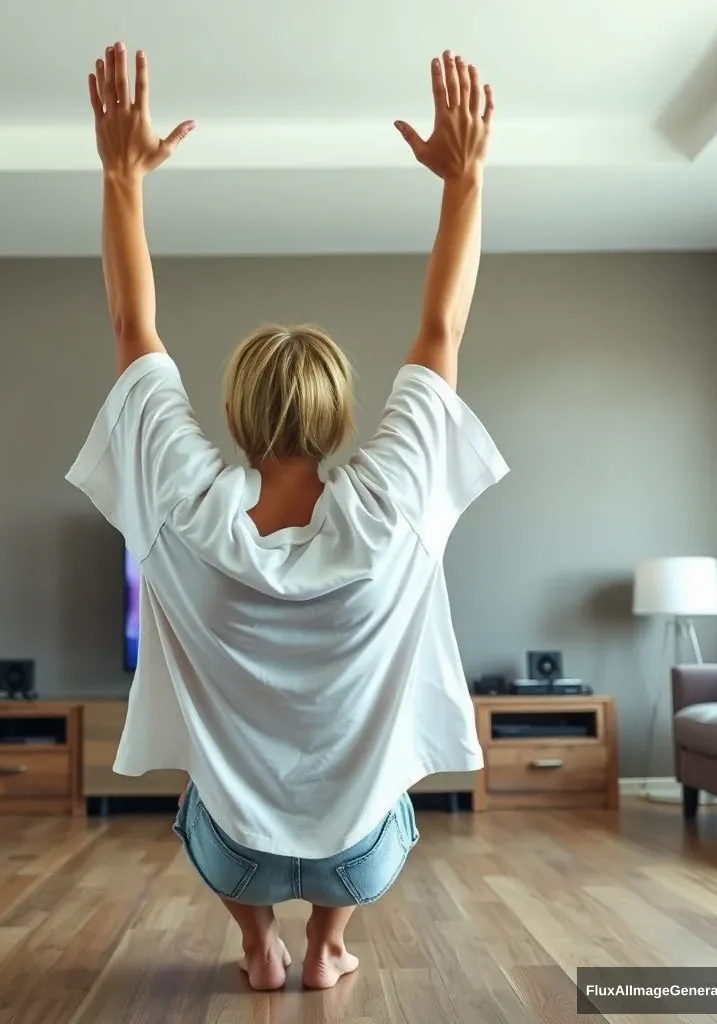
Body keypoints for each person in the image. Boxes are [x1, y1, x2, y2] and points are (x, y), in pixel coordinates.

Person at [68, 42, 507, 992]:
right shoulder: (392, 502)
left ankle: (259, 940)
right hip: (363, 857)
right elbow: (443, 332)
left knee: (210, 799)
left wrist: (121, 173)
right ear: (343, 415)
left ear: (234, 416)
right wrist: (463, 180)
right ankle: (324, 946)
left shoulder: (183, 505)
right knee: (372, 793)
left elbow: (131, 328)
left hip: (234, 857)